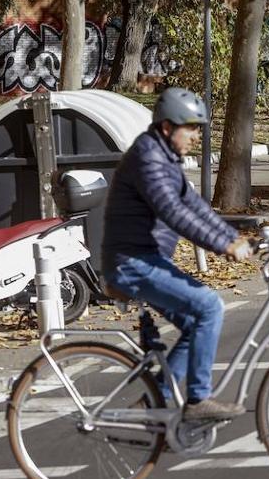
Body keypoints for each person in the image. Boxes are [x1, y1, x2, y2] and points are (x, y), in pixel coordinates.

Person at [102, 87, 254, 421]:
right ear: (168, 127)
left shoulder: (163, 156)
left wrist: (235, 237)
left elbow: (194, 205)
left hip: (145, 260)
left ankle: (156, 399)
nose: (197, 136)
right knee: (209, 306)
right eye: (192, 127)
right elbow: (173, 212)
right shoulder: (148, 158)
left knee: (196, 321)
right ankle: (198, 400)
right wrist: (222, 246)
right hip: (132, 263)